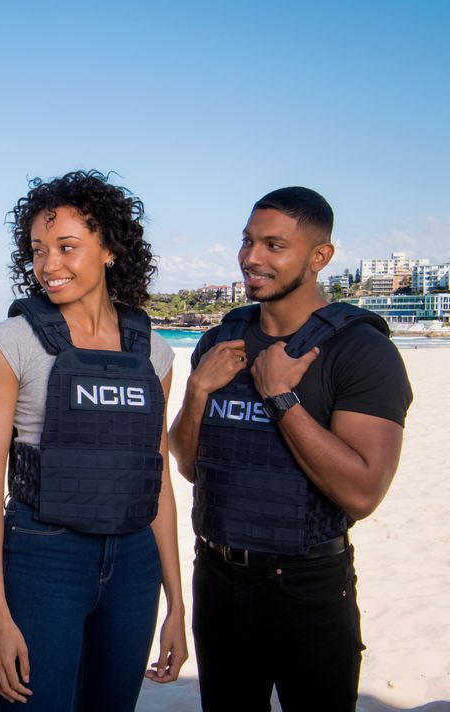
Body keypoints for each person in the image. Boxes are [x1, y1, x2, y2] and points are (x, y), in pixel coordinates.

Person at [168, 187, 413, 711]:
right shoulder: (221, 341)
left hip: (306, 586)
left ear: (319, 257)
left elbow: (364, 492)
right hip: (217, 576)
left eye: (274, 245)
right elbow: (190, 466)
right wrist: (197, 393)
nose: (252, 258)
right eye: (248, 241)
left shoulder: (361, 350)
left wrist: (281, 397)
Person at [0, 170, 188, 711]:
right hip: (44, 557)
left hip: (136, 564)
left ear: (110, 249)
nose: (49, 265)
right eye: (39, 250)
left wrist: (178, 605)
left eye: (67, 247)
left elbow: (156, 480)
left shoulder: (153, 353)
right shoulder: (12, 343)